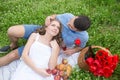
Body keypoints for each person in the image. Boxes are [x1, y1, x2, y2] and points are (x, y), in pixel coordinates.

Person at [0, 13, 91, 67]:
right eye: (71, 20)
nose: (67, 23)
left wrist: (73, 50)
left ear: (78, 30)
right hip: (42, 30)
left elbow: (80, 47)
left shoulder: (83, 37)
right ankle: (13, 44)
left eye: (70, 26)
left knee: (13, 55)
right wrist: (49, 17)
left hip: (47, 44)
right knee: (12, 31)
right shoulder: (68, 16)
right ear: (76, 16)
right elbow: (53, 16)